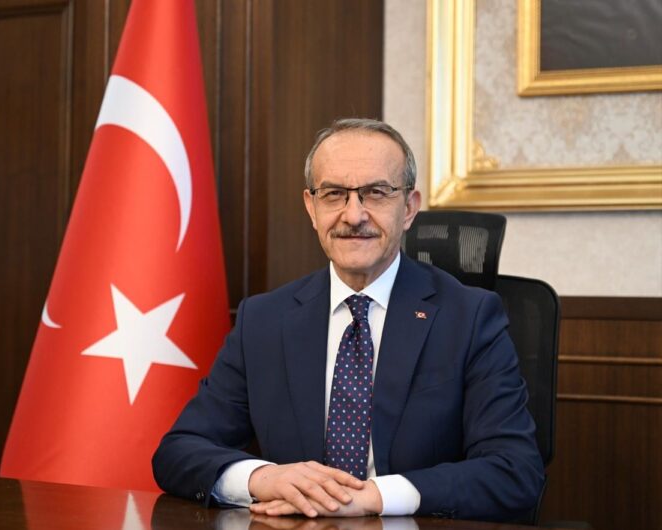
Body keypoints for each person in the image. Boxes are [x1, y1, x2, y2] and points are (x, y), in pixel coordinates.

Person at [152, 118, 544, 521]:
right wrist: (263, 478)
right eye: (334, 194)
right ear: (311, 207)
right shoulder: (264, 320)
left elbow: (515, 473)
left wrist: (375, 496)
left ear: (409, 208)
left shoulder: (470, 317)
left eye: (376, 193)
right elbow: (178, 451)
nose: (353, 215)